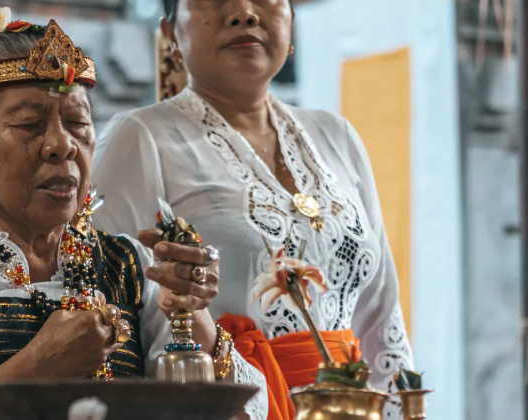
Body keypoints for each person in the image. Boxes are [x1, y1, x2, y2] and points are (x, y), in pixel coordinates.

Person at [0, 4, 266, 419]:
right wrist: (34, 369)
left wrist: (187, 312)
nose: (61, 145)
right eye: (29, 124)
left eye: (77, 123)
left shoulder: (130, 266)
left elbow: (243, 411)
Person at [91, 0, 413, 419]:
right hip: (229, 406)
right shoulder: (139, 139)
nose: (243, 11)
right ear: (170, 30)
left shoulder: (338, 137)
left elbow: (381, 317)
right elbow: (106, 311)